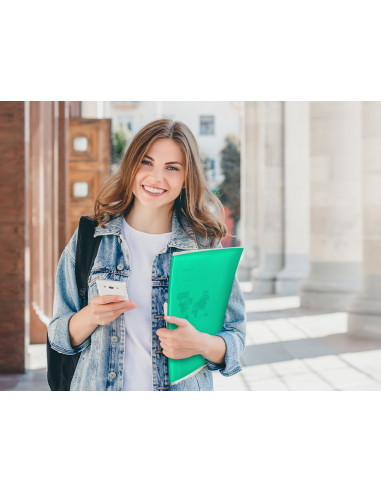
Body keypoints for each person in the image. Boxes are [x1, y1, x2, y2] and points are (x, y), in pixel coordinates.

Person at [48, 119, 246, 391]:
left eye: (172, 168)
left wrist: (201, 344)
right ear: (131, 166)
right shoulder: (91, 237)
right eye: (146, 162)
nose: (156, 177)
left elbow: (235, 337)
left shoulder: (204, 246)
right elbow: (57, 334)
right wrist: (90, 316)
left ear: (187, 178)